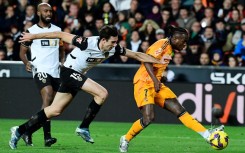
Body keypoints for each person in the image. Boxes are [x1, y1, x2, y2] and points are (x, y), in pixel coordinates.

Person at [9, 25, 170, 150]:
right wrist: (33, 36)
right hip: (67, 71)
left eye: (116, 42)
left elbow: (136, 55)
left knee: (54, 110)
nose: (115, 45)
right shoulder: (86, 42)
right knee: (102, 93)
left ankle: (19, 130)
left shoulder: (113, 48)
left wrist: (158, 60)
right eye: (112, 42)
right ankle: (83, 127)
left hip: (74, 75)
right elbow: (60, 35)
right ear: (103, 40)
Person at [119, 26, 225, 152]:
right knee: (149, 118)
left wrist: (160, 78)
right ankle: (125, 139)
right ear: (175, 39)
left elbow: (158, 65)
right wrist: (155, 80)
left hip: (156, 83)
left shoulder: (171, 49)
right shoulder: (162, 44)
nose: (185, 44)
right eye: (183, 41)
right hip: (144, 83)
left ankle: (208, 135)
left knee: (180, 110)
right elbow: (146, 61)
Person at [19, 3, 64, 147]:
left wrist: (62, 62)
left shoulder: (57, 30)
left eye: (50, 11)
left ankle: (28, 131)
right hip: (40, 69)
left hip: (55, 71)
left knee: (52, 107)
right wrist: (26, 62)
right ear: (38, 13)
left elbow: (62, 49)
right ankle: (47, 137)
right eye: (45, 11)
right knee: (48, 95)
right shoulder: (31, 31)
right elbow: (22, 52)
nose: (49, 13)